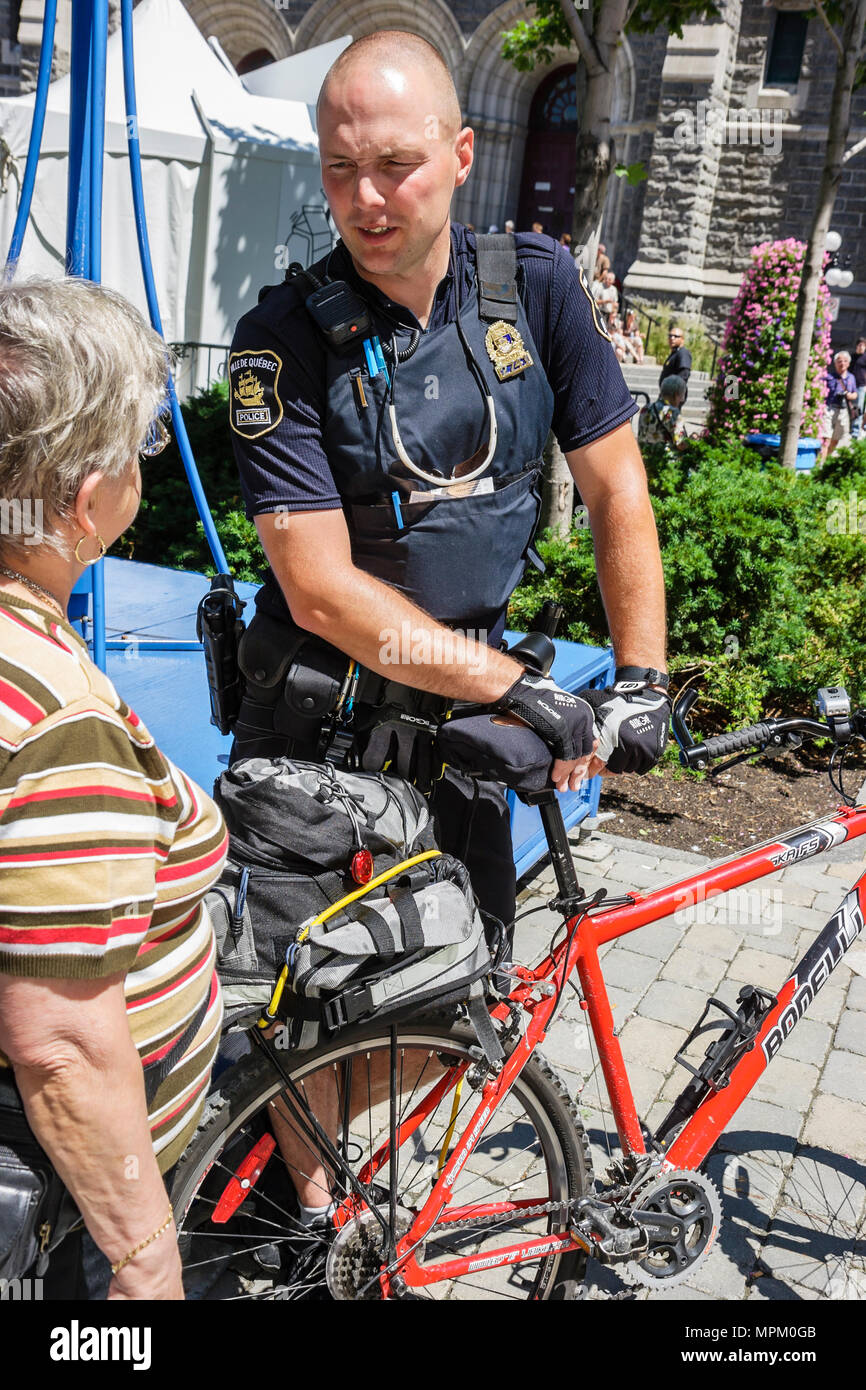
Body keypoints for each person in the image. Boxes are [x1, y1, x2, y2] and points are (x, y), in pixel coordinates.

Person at [227, 30, 669, 1225]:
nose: (365, 199)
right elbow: (318, 587)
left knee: (454, 1021)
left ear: (463, 153)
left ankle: (273, 1172)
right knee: (300, 1029)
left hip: (464, 745)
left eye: (396, 164)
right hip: (317, 748)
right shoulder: (279, 342)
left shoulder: (535, 287)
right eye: (337, 169)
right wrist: (514, 687)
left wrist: (641, 676)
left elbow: (618, 488)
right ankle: (276, 1213)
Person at [0, 277, 229, 1299]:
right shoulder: (58, 719)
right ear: (89, 500)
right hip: (64, 1204)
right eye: (140, 450)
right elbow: (58, 1046)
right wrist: (145, 1264)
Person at [821, 349, 858, 462]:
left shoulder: (851, 378)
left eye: (845, 361)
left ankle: (826, 460)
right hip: (829, 409)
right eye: (839, 361)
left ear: (848, 363)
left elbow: (855, 394)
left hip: (843, 411)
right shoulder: (828, 376)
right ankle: (821, 464)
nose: (842, 363)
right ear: (835, 363)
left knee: (835, 440)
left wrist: (850, 395)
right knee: (826, 438)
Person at [638, 375, 687, 450]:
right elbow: (681, 444)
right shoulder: (673, 413)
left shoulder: (646, 408)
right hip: (664, 459)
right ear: (676, 394)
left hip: (643, 456)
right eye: (681, 396)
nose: (682, 400)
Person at [660, 325, 692, 403]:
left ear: (682, 339)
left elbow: (684, 375)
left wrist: (673, 393)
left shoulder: (683, 353)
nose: (672, 338)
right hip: (667, 395)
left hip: (674, 396)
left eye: (676, 336)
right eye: (670, 336)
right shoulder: (675, 352)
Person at [850, 335, 866, 438]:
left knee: (859, 409)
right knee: (852, 408)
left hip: (861, 386)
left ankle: (855, 432)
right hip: (851, 386)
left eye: (863, 345)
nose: (861, 347)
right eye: (859, 345)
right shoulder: (852, 357)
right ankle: (851, 428)